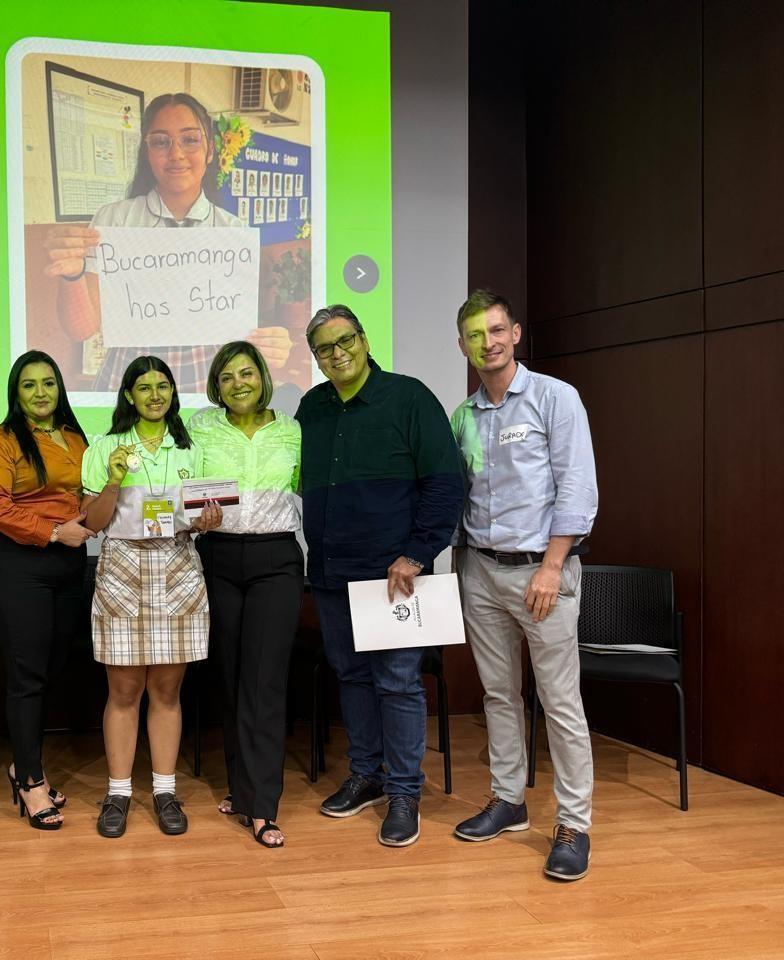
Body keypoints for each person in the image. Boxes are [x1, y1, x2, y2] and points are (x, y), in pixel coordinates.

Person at [296, 304, 464, 847]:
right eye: (324, 347)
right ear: (316, 358)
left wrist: (416, 554)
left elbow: (445, 483)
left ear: (365, 341)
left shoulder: (409, 397)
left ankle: (404, 792)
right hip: (329, 571)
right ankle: (366, 775)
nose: (336, 353)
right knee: (351, 676)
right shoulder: (312, 408)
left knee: (397, 682)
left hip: (394, 575)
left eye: (344, 340)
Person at [450, 289, 598, 881]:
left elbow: (577, 488)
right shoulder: (462, 416)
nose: (487, 343)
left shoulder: (554, 398)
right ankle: (509, 800)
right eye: (474, 335)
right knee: (498, 696)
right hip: (480, 570)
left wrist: (553, 565)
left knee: (559, 702)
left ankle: (573, 824)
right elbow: (455, 496)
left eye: (495, 331)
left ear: (514, 333)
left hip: (543, 571)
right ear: (461, 345)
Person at [44, 92, 289, 393]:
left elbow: (242, 333)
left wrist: (272, 345)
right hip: (129, 377)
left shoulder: (233, 232)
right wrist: (72, 275)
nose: (176, 153)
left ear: (210, 151)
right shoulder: (114, 222)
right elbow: (81, 328)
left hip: (208, 380)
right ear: (147, 152)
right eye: (161, 141)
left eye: (190, 139)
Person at [82, 355, 221, 838]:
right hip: (121, 566)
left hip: (179, 564)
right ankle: (118, 792)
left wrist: (209, 519)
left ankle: (165, 790)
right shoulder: (105, 447)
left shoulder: (193, 449)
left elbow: (207, 511)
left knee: (166, 690)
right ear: (128, 395)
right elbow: (93, 522)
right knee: (123, 691)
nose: (155, 395)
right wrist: (114, 479)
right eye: (144, 387)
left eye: (163, 386)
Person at [190, 341, 303, 848]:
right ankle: (240, 789)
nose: (239, 383)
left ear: (263, 376)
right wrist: (193, 517)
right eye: (227, 376)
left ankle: (263, 806)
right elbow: (182, 488)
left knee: (265, 681)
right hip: (216, 555)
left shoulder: (293, 430)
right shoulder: (199, 429)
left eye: (247, 373)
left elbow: (309, 488)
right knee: (231, 677)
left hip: (276, 561)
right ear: (216, 386)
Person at [0, 351, 94, 830]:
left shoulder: (74, 437)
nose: (41, 393)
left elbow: (88, 491)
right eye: (29, 385)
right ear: (15, 392)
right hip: (19, 567)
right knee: (27, 677)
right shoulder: (0, 442)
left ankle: (24, 766)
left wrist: (90, 513)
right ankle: (29, 782)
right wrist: (51, 532)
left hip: (69, 566)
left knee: (51, 668)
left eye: (49, 383)